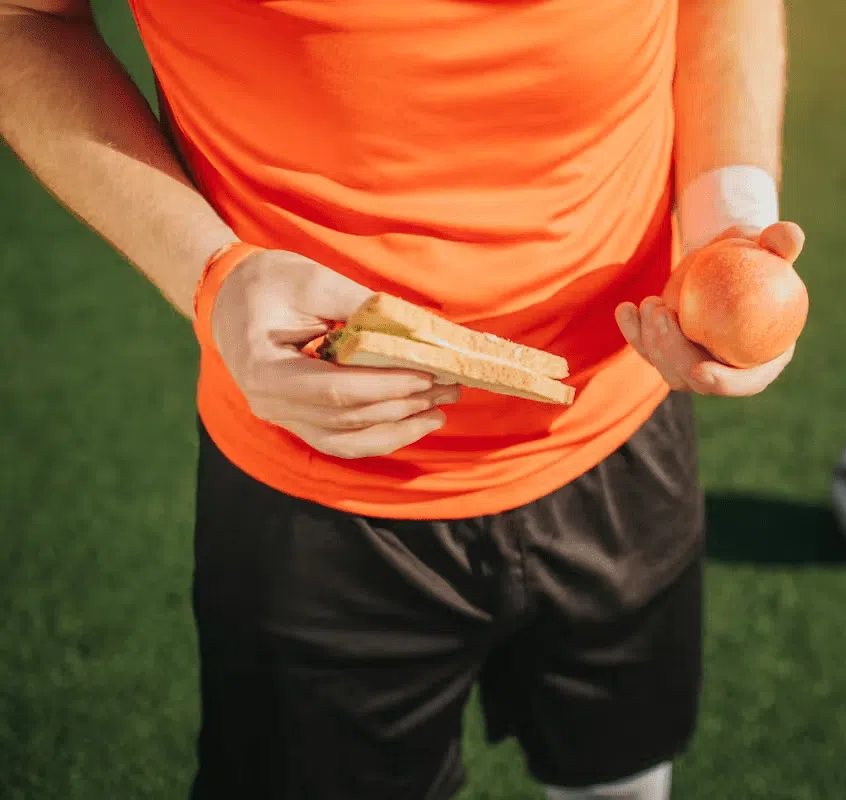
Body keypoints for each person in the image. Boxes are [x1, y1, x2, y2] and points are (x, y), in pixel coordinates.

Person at [0, 1, 803, 797]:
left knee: (620, 777)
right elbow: (27, 19)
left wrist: (729, 231)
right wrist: (210, 274)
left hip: (622, 420)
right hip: (314, 477)